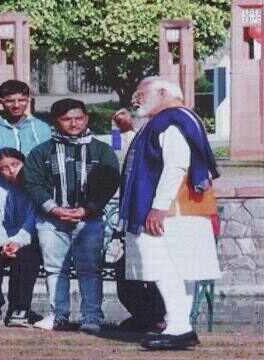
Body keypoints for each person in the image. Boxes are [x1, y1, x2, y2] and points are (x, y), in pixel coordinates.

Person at [118, 76, 221, 350]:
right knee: (181, 270)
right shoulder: (179, 118)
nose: (136, 98)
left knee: (167, 267)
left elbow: (176, 165)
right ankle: (179, 325)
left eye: (141, 92)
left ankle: (178, 326)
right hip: (186, 207)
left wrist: (158, 207)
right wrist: (128, 131)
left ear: (163, 92)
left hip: (173, 210)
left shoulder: (172, 119)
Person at [23, 98, 120, 333]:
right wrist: (54, 209)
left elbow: (110, 181)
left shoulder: (102, 150)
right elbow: (32, 182)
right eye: (67, 119)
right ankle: (59, 315)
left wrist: (87, 209)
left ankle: (92, 317)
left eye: (78, 118)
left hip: (90, 220)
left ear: (86, 118)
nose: (74, 123)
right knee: (55, 268)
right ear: (56, 122)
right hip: (51, 220)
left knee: (90, 268)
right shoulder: (41, 152)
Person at [111, 94, 166, 333]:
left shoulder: (165, 133)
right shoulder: (134, 137)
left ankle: (160, 318)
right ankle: (144, 317)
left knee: (157, 272)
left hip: (159, 216)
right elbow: (116, 154)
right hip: (132, 220)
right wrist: (116, 130)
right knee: (125, 271)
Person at [0, 148, 41, 327]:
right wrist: (4, 243)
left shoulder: (35, 188)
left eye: (15, 164)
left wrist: (17, 242)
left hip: (25, 238)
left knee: (28, 255)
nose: (11, 171)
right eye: (4, 168)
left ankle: (19, 308)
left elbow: (32, 220)